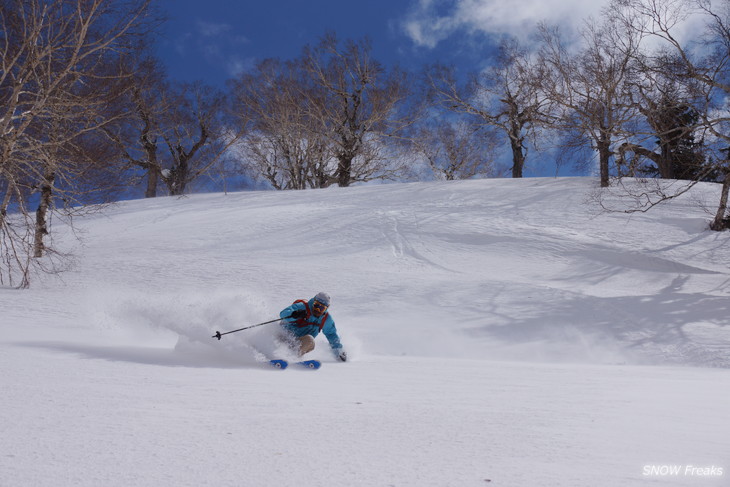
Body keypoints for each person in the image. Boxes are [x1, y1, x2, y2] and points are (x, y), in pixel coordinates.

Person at [279, 292, 347, 362]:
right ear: (313, 302)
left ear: (326, 308)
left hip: (298, 342)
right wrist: (294, 314)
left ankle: (293, 358)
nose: (317, 310)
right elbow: (283, 314)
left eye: (321, 308)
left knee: (310, 341)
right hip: (284, 336)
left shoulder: (325, 319)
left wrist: (339, 352)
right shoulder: (302, 307)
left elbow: (331, 334)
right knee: (277, 339)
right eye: (316, 306)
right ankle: (276, 354)